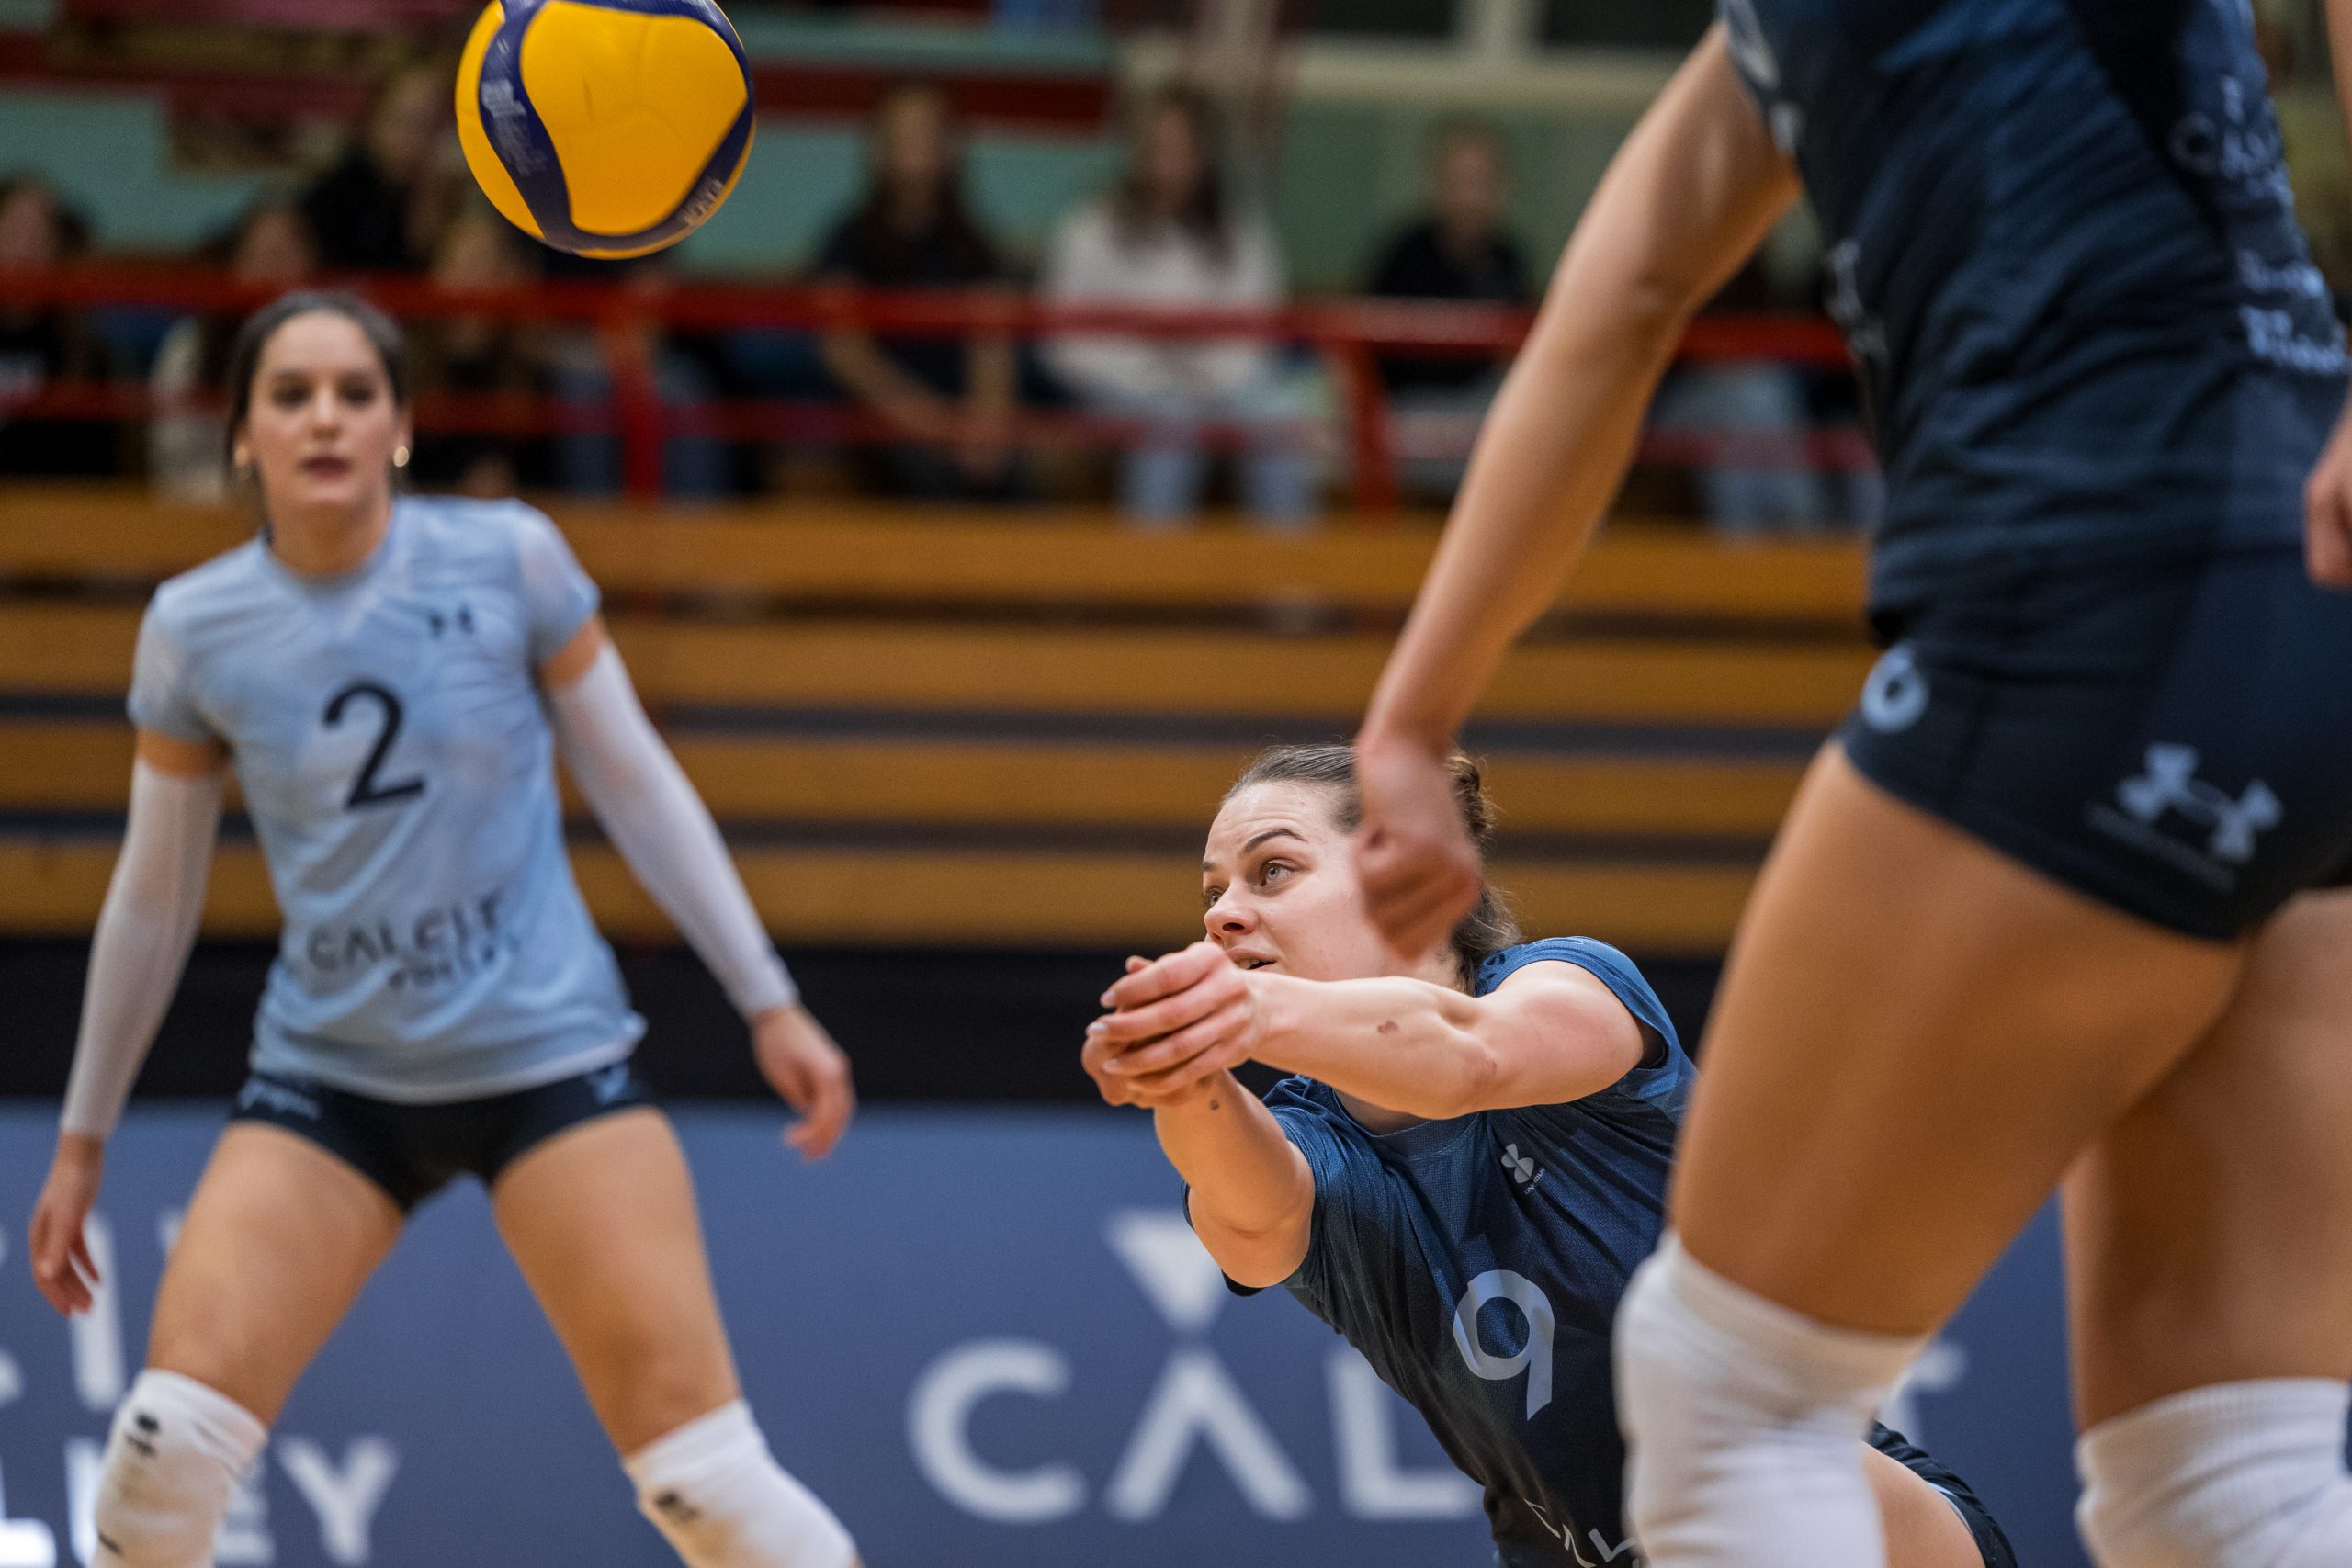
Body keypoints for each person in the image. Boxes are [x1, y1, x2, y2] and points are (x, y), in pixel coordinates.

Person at [1345, 6, 2352, 1568]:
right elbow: (1622, 287)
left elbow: (1628, 298)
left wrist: (1418, 719)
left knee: (1730, 1399)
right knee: (2231, 1480)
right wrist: (1414, 716)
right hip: (2310, 620)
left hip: (2091, 600)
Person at [26, 290, 862, 1568]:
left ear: (401, 428)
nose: (325, 419)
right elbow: (154, 895)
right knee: (161, 1460)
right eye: (290, 395)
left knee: (709, 1489)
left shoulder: (509, 558)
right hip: (332, 1082)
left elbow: (637, 783)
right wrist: (82, 1138)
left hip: (550, 1064)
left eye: (355, 393)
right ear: (242, 436)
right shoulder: (195, 628)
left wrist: (769, 998)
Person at [1080, 744, 2015, 1568]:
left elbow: (1469, 1059)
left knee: (1743, 1485)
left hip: (1858, 1528)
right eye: (1212, 893)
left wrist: (1237, 1011)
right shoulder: (1315, 1145)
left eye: (1272, 871)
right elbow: (1249, 1219)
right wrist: (1171, 1064)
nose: (1224, 915)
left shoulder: (1568, 985)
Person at [1041, 85, 1317, 529]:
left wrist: (1201, 375)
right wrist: (1153, 370)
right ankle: (1151, 565)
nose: (1169, 160)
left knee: (1278, 414)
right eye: (1159, 145)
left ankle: (1293, 565)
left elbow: (1259, 338)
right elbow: (1064, 340)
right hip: (1114, 389)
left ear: (1206, 155)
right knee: (1171, 418)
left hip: (1222, 387)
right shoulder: (1091, 229)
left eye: (1183, 147)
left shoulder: (1242, 235)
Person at [812, 83, 1019, 501]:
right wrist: (934, 426)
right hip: (881, 423)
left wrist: (984, 428)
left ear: (953, 146)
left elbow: (993, 345)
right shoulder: (848, 242)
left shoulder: (975, 246)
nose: (916, 143)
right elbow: (847, 354)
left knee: (1019, 482)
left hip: (965, 427)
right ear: (878, 146)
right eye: (903, 131)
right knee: (929, 483)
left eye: (928, 131)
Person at [1363, 120, 1530, 498]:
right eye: (1458, 180)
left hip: (1483, 407)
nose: (1468, 196)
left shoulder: (1508, 258)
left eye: (1480, 181)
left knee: (1542, 436)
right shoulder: (1404, 255)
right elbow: (1370, 352)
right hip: (1413, 408)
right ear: (1436, 183)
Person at [150, 199, 319, 503]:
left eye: (284, 253)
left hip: (313, 504)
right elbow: (173, 454)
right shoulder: (192, 345)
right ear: (236, 265)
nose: (271, 270)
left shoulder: (337, 346)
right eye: (258, 254)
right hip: (208, 505)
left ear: (310, 264)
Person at [408, 203, 551, 496]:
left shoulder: (531, 372)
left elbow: (550, 478)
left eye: (486, 264)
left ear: (509, 276)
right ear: (437, 272)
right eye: (461, 264)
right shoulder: (410, 368)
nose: (472, 280)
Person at [0, 173, 116, 478]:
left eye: (39, 235)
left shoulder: (83, 349)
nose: (25, 250)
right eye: (13, 233)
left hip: (56, 498)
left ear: (57, 249)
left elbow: (97, 463)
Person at [300, 61, 449, 273]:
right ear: (375, 119)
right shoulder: (336, 196)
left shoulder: (445, 195)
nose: (414, 138)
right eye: (405, 121)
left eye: (429, 125)